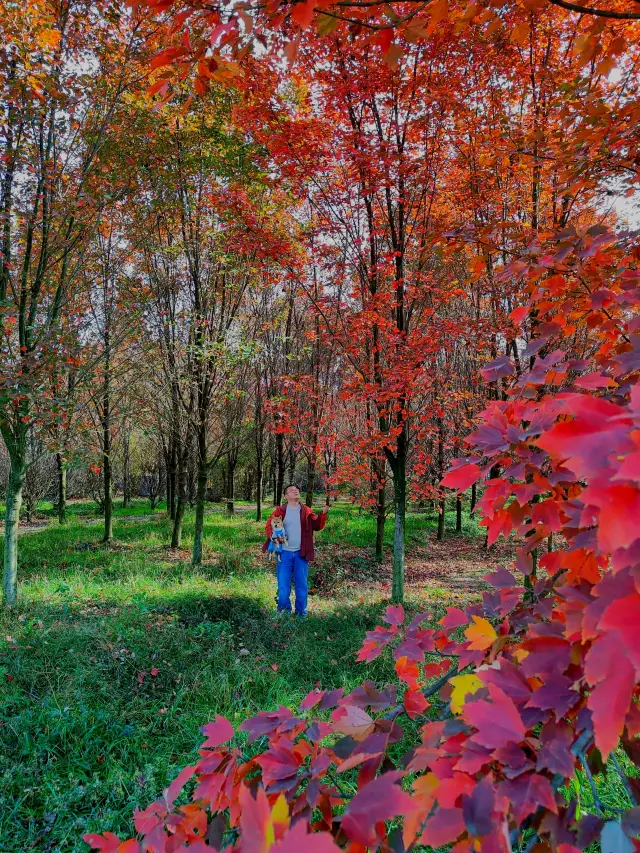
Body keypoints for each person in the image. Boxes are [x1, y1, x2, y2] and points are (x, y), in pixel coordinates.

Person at [262, 484, 328, 617]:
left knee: (302, 586)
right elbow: (269, 525)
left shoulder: (307, 511)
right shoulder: (279, 511)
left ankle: (301, 613)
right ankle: (284, 611)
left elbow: (317, 526)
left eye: (296, 490)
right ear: (286, 496)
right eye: (291, 490)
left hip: (301, 554)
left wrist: (323, 514)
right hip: (284, 554)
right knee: (283, 587)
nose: (295, 491)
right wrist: (272, 537)